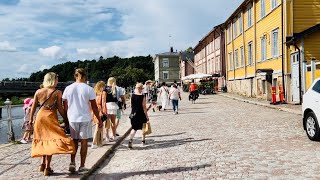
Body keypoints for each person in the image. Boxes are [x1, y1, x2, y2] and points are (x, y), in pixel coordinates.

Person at [30, 72, 75, 176]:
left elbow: (33, 107)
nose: (57, 81)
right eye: (56, 79)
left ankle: (42, 164)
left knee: (43, 140)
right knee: (50, 141)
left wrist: (31, 118)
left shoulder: (38, 91)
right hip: (50, 118)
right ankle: (47, 167)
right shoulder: (57, 92)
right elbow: (60, 108)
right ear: (53, 80)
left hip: (40, 117)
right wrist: (66, 120)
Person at [62, 68, 102, 174]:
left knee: (74, 141)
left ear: (75, 76)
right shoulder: (89, 89)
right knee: (84, 141)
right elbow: (94, 107)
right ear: (84, 76)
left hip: (72, 118)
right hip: (85, 118)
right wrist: (99, 120)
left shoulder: (68, 88)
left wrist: (65, 120)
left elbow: (65, 107)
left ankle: (72, 163)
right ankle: (82, 166)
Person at [128, 83, 149, 148]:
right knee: (143, 128)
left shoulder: (132, 96)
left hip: (134, 114)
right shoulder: (142, 96)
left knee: (134, 128)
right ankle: (143, 141)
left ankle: (130, 140)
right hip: (141, 113)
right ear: (141, 89)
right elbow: (144, 107)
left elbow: (131, 105)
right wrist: (147, 116)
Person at [91, 81, 107, 149]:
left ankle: (99, 142)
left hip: (93, 110)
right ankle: (94, 142)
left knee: (99, 127)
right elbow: (103, 104)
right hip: (100, 110)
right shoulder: (103, 93)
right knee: (98, 127)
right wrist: (105, 112)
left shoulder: (94, 93)